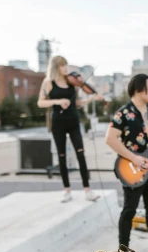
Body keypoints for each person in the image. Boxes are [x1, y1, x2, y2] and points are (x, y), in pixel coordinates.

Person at [105, 74, 148, 252]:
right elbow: (110, 139)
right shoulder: (123, 113)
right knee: (129, 210)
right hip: (131, 170)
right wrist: (134, 158)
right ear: (138, 89)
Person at [37, 55, 101, 203]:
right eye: (62, 66)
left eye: (66, 65)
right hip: (58, 123)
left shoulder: (71, 82)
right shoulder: (48, 83)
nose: (66, 68)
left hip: (73, 121)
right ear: (56, 67)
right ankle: (67, 190)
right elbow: (40, 102)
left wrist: (91, 99)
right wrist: (58, 101)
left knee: (81, 154)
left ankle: (87, 190)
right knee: (62, 156)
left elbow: (77, 103)